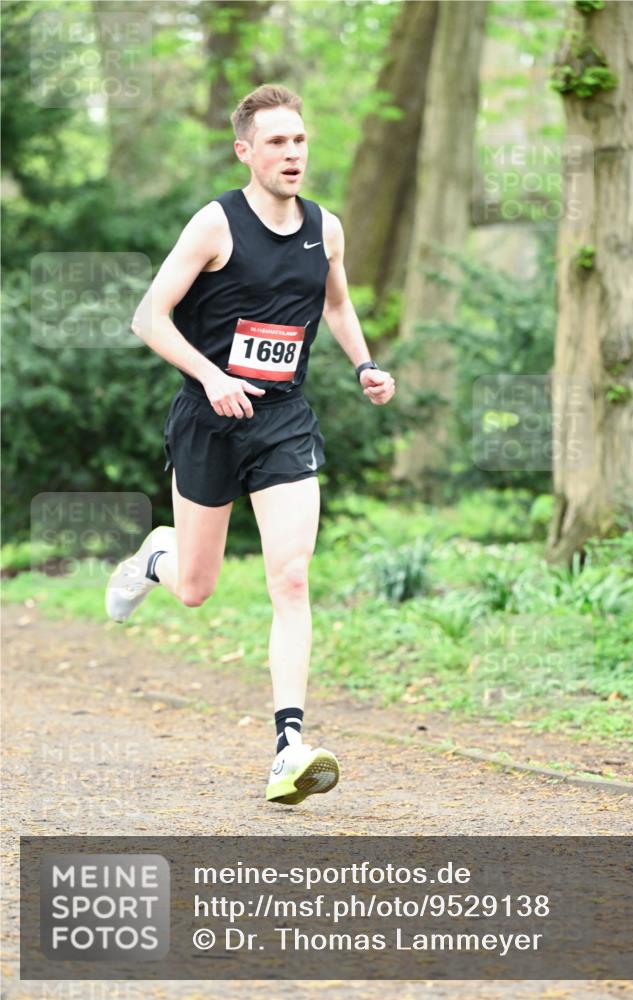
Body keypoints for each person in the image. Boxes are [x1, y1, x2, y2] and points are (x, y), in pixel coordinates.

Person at [105, 84, 395, 805]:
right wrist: (210, 376)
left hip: (283, 421)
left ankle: (288, 745)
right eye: (276, 142)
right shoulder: (216, 223)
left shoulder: (324, 228)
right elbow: (148, 317)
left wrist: (363, 363)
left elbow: (335, 303)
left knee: (291, 578)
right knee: (196, 590)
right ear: (245, 151)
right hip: (208, 421)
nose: (292, 154)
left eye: (299, 140)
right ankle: (156, 556)